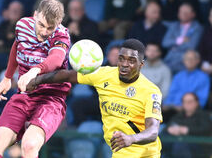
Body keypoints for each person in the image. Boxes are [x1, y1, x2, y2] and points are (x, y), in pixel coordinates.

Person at [27, 39, 163, 157]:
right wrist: (36, 80)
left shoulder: (150, 91)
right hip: (120, 153)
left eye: (131, 61)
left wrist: (131, 138)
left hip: (146, 154)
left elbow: (153, 131)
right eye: (121, 58)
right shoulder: (104, 74)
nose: (124, 64)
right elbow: (68, 75)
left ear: (141, 64)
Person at [0, 0, 71, 158]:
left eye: (50, 28)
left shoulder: (62, 35)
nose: (44, 32)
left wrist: (34, 72)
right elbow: (17, 46)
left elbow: (56, 59)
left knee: (29, 144)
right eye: (41, 25)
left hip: (51, 98)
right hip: (25, 95)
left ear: (58, 23)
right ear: (35, 15)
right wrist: (7, 77)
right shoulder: (22, 25)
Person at [163, 50, 210, 122]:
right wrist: (167, 105)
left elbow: (202, 100)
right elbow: (171, 94)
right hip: (172, 109)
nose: (189, 61)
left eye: (192, 59)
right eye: (187, 59)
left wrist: (185, 107)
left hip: (191, 112)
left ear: (198, 61)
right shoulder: (178, 76)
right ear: (183, 61)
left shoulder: (203, 77)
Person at [163, 93, 212, 158]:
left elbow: (207, 130)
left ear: (196, 102)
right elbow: (167, 128)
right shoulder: (179, 116)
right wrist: (170, 130)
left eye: (190, 102)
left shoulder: (203, 115)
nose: (187, 104)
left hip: (199, 147)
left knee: (180, 145)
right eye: (185, 102)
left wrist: (187, 130)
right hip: (176, 145)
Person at [162, 3, 203, 73]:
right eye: (181, 12)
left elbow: (191, 46)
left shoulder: (197, 27)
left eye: (186, 12)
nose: (183, 14)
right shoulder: (174, 26)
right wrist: (179, 41)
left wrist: (174, 47)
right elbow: (165, 43)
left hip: (184, 61)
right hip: (169, 60)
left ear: (193, 14)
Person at [0, 1, 24, 69]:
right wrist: (5, 38)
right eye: (12, 10)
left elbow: (16, 43)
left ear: (21, 12)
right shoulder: (3, 24)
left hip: (10, 56)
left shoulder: (23, 26)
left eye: (16, 10)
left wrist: (3, 40)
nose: (14, 12)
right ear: (8, 11)